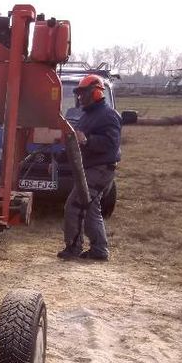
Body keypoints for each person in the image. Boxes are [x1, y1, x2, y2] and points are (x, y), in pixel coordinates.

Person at [57, 74, 122, 261]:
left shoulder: (108, 115)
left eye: (83, 93)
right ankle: (99, 250)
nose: (80, 97)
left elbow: (111, 144)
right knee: (91, 208)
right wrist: (60, 158)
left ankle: (73, 247)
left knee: (74, 205)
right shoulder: (88, 115)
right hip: (91, 168)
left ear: (95, 92)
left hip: (101, 169)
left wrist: (87, 139)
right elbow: (75, 142)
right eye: (79, 94)